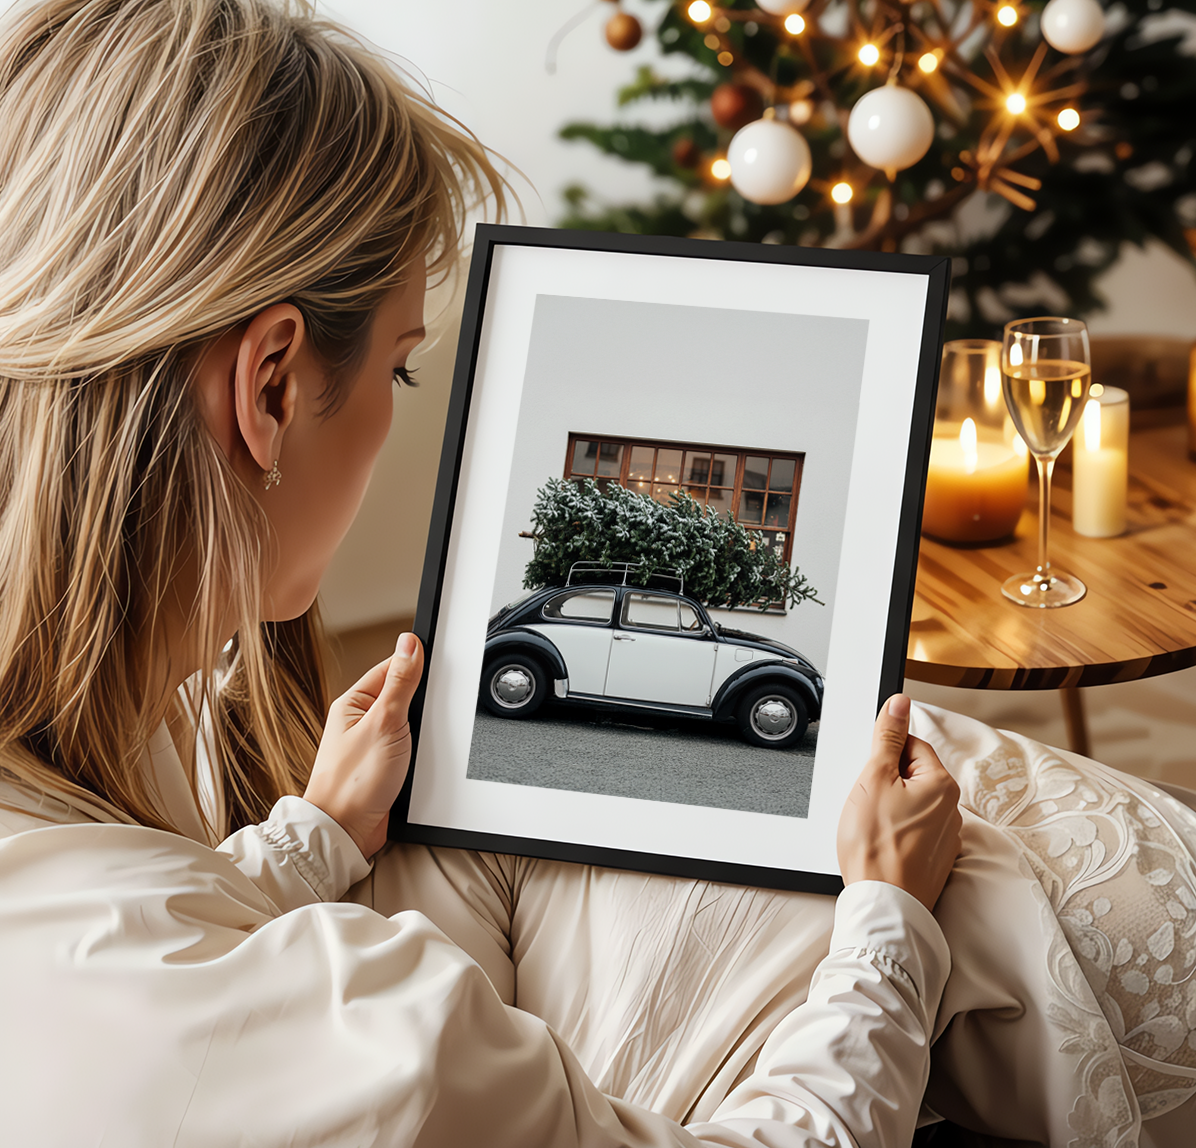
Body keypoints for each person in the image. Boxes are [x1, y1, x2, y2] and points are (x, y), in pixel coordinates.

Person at [0, 2, 1193, 1145]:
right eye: (404, 370)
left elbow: (156, 931)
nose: (402, 407)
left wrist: (310, 833)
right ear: (271, 387)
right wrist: (885, 914)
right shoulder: (355, 1029)